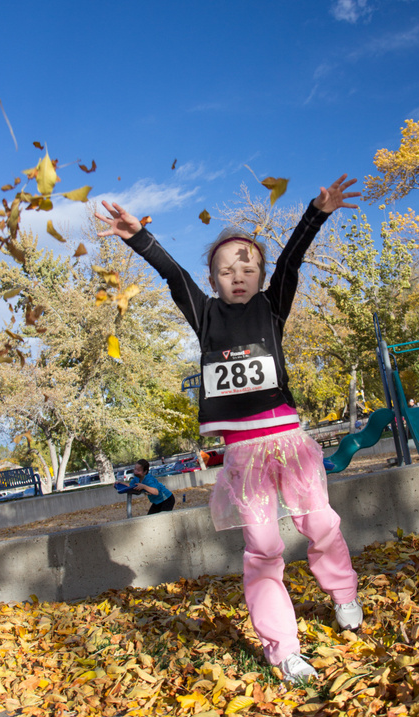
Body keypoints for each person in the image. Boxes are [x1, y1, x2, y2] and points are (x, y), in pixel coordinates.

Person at [96, 175, 363, 684]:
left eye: (248, 266)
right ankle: (284, 648)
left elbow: (291, 260)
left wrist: (316, 212)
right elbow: (174, 277)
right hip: (242, 456)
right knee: (263, 549)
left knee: (321, 525)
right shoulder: (206, 314)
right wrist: (137, 237)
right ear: (213, 279)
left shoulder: (271, 305)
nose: (237, 275)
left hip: (287, 440)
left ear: (261, 275)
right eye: (224, 269)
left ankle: (344, 594)